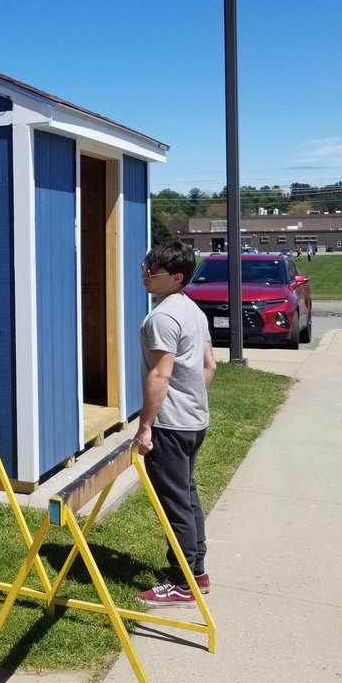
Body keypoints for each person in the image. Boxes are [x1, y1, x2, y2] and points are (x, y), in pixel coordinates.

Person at [133, 241, 216, 608]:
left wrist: (146, 425)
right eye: (145, 267)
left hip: (171, 424)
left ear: (177, 277)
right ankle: (196, 571)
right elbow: (209, 365)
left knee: (175, 502)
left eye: (153, 271)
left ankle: (183, 583)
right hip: (194, 420)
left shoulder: (163, 318)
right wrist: (191, 397)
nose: (145, 275)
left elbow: (159, 376)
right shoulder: (193, 311)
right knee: (187, 494)